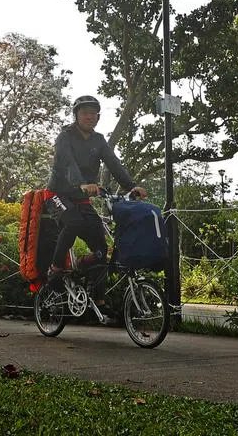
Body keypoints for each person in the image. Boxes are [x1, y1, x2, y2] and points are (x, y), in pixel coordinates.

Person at [45, 95, 149, 325]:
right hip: (57, 195)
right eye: (85, 113)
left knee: (101, 248)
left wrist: (132, 187)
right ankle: (55, 269)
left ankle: (98, 300)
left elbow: (113, 163)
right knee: (72, 223)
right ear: (76, 115)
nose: (90, 116)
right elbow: (67, 162)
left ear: (98, 117)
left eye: (94, 113)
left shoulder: (99, 140)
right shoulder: (65, 136)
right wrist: (80, 183)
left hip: (82, 199)